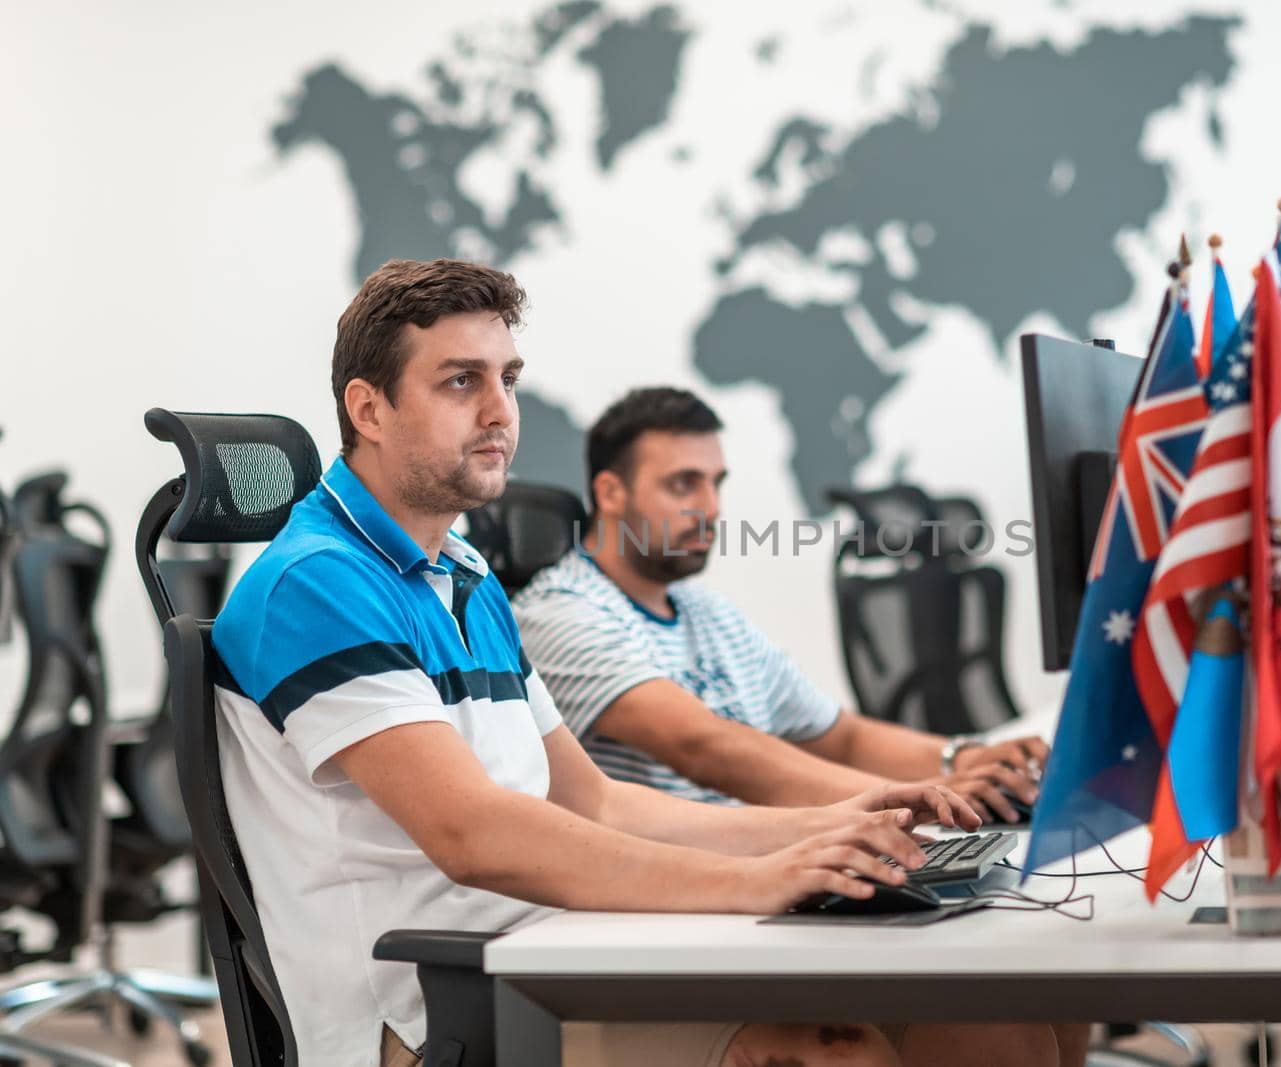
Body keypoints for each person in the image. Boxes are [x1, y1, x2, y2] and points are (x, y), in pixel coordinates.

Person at [212, 259, 1075, 1067]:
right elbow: (472, 833)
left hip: (548, 954)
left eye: (506, 378)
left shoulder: (463, 574)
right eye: (459, 381)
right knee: (834, 1050)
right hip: (431, 1008)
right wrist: (757, 881)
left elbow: (594, 799)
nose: (500, 411)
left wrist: (841, 822)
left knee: (1004, 1017)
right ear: (368, 409)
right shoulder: (316, 583)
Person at [512, 387, 1050, 823]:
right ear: (610, 493)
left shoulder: (706, 612)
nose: (710, 508)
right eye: (683, 485)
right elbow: (705, 746)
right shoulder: (562, 613)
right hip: (673, 891)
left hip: (767, 858)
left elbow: (842, 736)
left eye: (716, 484)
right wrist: (926, 795)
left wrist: (963, 758)